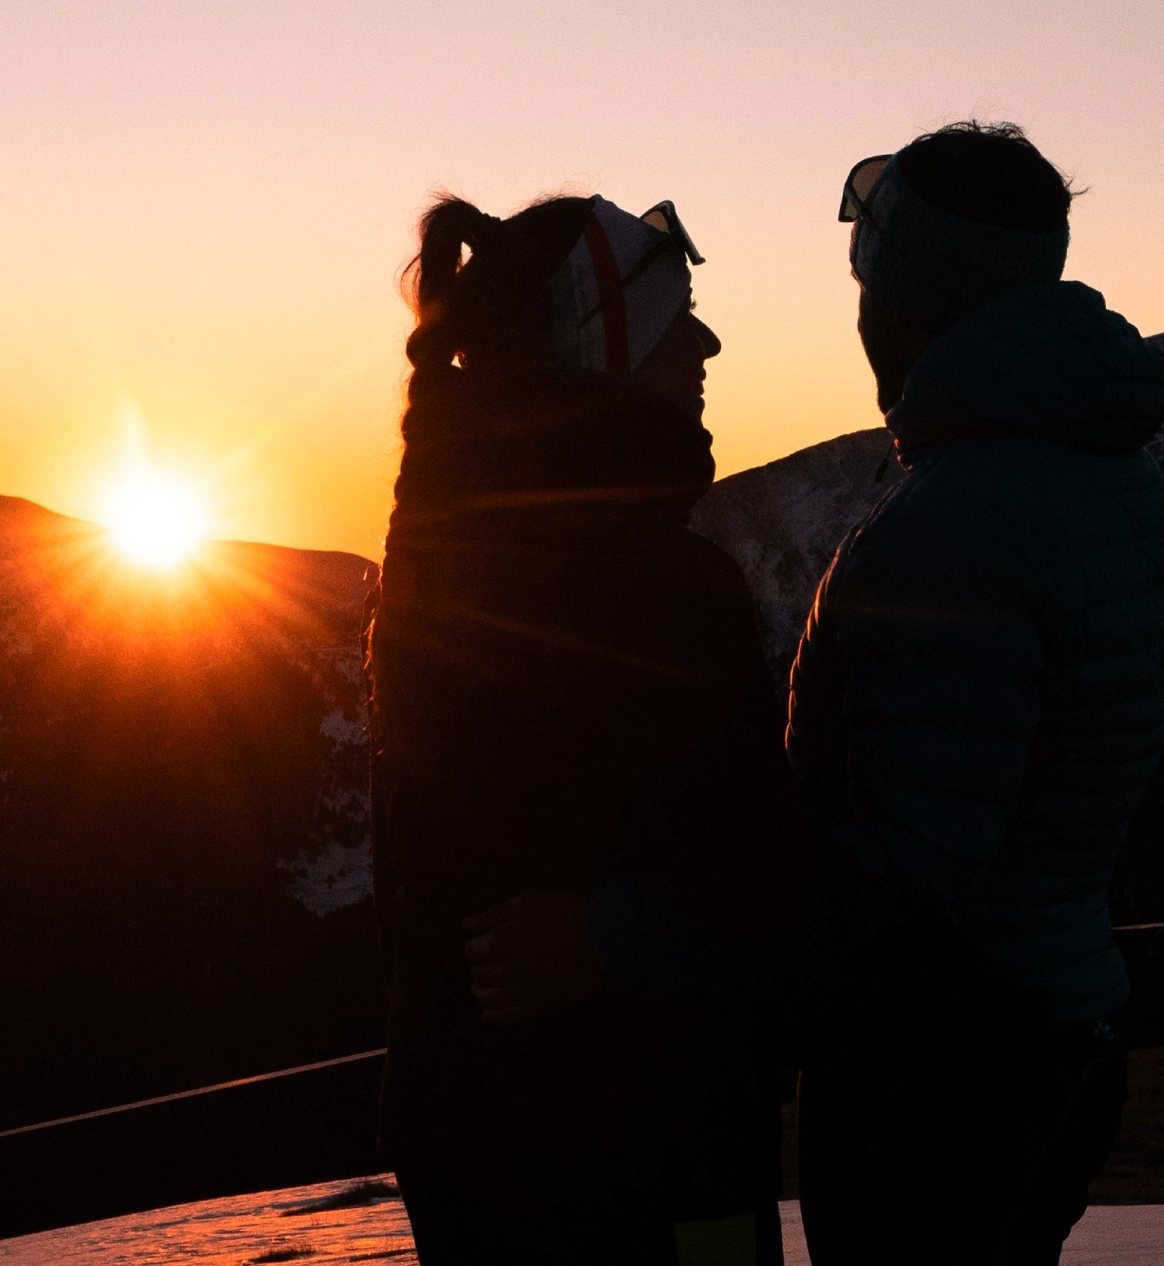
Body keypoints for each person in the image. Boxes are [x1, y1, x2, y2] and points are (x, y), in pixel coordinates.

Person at [783, 122, 1164, 1265]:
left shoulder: (943, 533)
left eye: (864, 277)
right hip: (1072, 1033)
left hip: (936, 1084)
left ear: (900, 298)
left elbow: (909, 879)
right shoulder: (1121, 478)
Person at [367, 193, 793, 1265]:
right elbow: (758, 882)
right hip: (664, 1153)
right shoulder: (667, 592)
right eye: (672, 320)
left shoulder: (439, 570)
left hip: (479, 1155)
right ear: (596, 358)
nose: (704, 344)